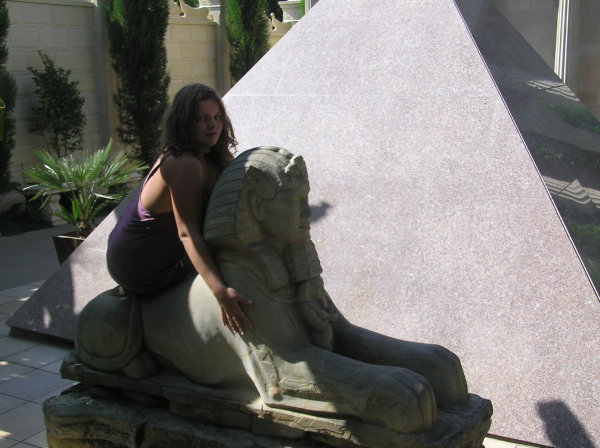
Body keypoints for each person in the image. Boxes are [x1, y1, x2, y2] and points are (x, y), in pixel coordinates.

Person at [107, 83, 252, 335]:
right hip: (139, 264)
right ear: (185, 122)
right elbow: (188, 233)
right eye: (202, 118)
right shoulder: (183, 163)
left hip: (168, 252)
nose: (213, 125)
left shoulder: (213, 156)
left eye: (217, 117)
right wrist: (220, 292)